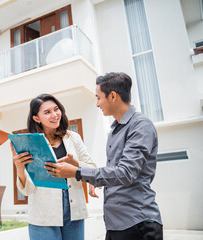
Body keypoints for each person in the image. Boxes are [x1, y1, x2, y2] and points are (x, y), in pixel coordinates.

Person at [45, 72, 163, 240]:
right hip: (116, 224)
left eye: (99, 98)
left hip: (138, 223)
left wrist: (77, 172)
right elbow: (113, 173)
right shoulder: (115, 130)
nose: (97, 104)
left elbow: (125, 173)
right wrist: (79, 168)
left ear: (113, 96)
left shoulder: (140, 126)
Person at [11, 93, 97, 240]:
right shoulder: (30, 144)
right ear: (36, 118)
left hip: (73, 209)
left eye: (56, 109)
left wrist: (76, 167)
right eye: (47, 112)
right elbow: (28, 190)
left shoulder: (73, 138)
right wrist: (19, 168)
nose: (54, 115)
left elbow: (91, 168)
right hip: (43, 214)